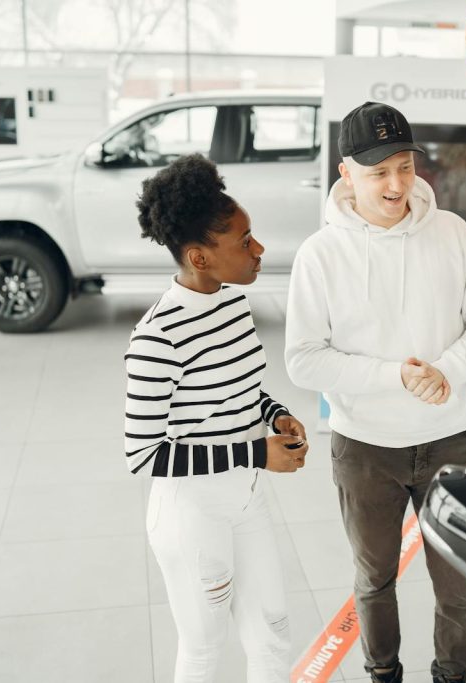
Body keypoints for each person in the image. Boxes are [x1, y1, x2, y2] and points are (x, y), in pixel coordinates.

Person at [284, 102, 466, 683]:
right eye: (378, 171)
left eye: (405, 167)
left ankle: (451, 676)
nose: (395, 184)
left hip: (451, 441)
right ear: (346, 173)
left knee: (459, 582)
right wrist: (395, 376)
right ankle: (383, 673)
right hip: (364, 449)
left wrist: (448, 369)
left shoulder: (453, 234)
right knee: (374, 580)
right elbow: (303, 359)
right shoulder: (321, 254)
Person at [125, 153, 309, 683]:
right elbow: (143, 454)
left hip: (246, 498)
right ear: (199, 257)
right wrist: (255, 452)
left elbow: (240, 390)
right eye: (244, 241)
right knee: (205, 650)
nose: (259, 249)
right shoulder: (157, 338)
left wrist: (275, 415)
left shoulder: (231, 303)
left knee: (273, 637)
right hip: (192, 514)